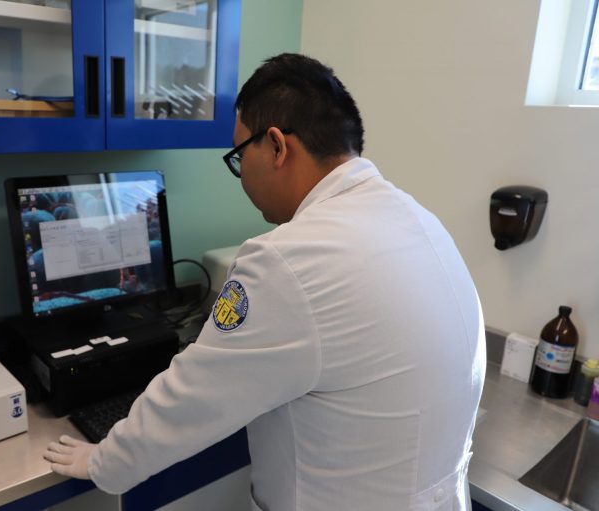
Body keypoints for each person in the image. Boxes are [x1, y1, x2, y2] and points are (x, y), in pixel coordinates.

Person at [44, 53, 486, 510]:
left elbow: (192, 398)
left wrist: (105, 462)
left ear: (276, 146)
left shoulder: (288, 260)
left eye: (239, 156)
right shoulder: (420, 219)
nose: (240, 176)